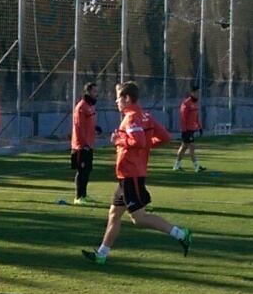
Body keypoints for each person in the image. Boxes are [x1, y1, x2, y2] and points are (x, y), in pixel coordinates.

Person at [82, 81, 192, 264]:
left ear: (127, 98)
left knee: (138, 218)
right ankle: (101, 255)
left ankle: (181, 234)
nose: (116, 101)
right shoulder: (145, 115)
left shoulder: (132, 117)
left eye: (118, 98)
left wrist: (119, 140)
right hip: (128, 174)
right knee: (114, 214)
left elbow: (138, 141)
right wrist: (144, 145)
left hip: (131, 173)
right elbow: (164, 137)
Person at [71, 82, 103, 205]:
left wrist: (96, 127)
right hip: (81, 146)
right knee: (82, 171)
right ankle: (78, 197)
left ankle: (84, 195)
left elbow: (88, 123)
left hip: (89, 144)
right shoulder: (81, 107)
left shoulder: (90, 106)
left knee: (87, 170)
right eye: (94, 92)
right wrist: (83, 144)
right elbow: (79, 127)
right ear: (88, 92)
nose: (96, 94)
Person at [173, 85, 206, 172]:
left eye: (199, 92)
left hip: (191, 129)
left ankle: (176, 166)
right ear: (192, 93)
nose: (199, 94)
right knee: (191, 147)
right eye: (197, 92)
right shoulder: (186, 103)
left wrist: (200, 127)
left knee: (184, 147)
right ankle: (196, 166)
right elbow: (183, 117)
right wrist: (184, 130)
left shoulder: (195, 103)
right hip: (187, 130)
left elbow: (196, 117)